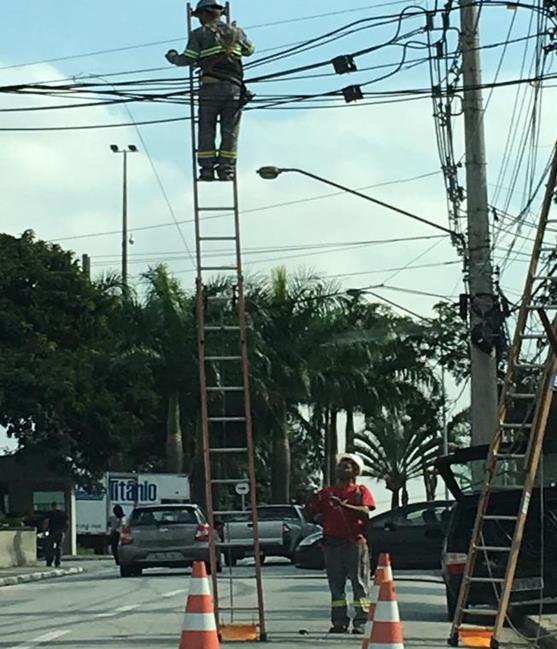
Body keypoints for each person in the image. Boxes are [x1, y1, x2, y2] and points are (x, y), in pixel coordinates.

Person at [165, 0, 255, 182]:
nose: (198, 19)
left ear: (205, 13)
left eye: (199, 16)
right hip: (234, 90)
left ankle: (206, 169)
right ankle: (226, 169)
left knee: (207, 128)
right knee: (230, 130)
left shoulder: (200, 34)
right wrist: (235, 35)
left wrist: (173, 57)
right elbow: (250, 50)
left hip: (210, 89)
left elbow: (188, 59)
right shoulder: (236, 32)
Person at [304, 453, 376, 635]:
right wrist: (314, 510)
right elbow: (310, 513)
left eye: (346, 466)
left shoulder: (360, 491)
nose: (340, 469)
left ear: (355, 472)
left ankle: (361, 621)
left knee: (359, 584)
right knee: (336, 587)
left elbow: (366, 512)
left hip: (354, 544)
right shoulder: (325, 493)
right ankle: (339, 621)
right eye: (340, 466)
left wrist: (343, 506)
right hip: (332, 546)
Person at [43, 502, 68, 568]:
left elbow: (46, 522)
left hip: (52, 532)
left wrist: (44, 531)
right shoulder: (63, 514)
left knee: (50, 547)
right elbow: (67, 523)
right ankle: (57, 562)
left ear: (52, 506)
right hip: (60, 532)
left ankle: (49, 562)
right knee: (59, 548)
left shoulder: (50, 513)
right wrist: (65, 531)